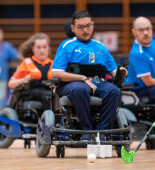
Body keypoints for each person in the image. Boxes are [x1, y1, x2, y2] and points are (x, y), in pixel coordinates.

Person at [52, 10, 125, 139]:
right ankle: (87, 131)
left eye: (88, 26)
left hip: (98, 82)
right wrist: (82, 78)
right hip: (73, 84)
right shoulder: (67, 46)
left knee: (114, 91)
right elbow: (56, 72)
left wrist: (122, 72)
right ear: (73, 28)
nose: (85, 30)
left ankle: (102, 131)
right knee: (80, 88)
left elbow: (114, 72)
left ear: (92, 25)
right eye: (80, 27)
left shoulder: (101, 47)